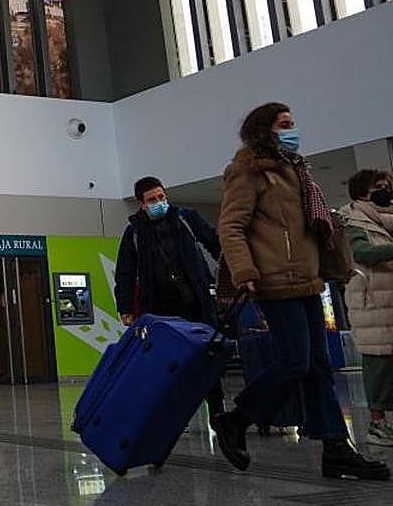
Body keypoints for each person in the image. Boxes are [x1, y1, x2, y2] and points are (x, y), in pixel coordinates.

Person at [211, 102, 388, 480]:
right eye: (284, 124)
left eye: (292, 123)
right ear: (265, 130)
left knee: (318, 367)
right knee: (296, 361)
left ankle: (336, 448)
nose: (292, 129)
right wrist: (244, 270)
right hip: (274, 281)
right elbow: (231, 227)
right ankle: (236, 419)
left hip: (307, 278)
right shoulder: (248, 172)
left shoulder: (297, 169)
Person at [114, 175, 225, 416]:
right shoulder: (134, 233)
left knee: (207, 358)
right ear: (141, 204)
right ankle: (173, 414)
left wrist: (232, 272)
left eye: (162, 197)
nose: (159, 202)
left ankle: (217, 410)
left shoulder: (186, 219)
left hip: (196, 303)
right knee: (166, 362)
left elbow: (215, 244)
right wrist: (125, 308)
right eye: (152, 199)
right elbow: (125, 272)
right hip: (160, 310)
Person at [340, 169, 393, 447]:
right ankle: (377, 424)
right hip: (372, 303)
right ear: (363, 192)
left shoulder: (386, 223)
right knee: (378, 362)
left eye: (386, 186)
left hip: (389, 301)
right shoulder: (353, 221)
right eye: (379, 187)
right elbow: (362, 254)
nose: (385, 191)